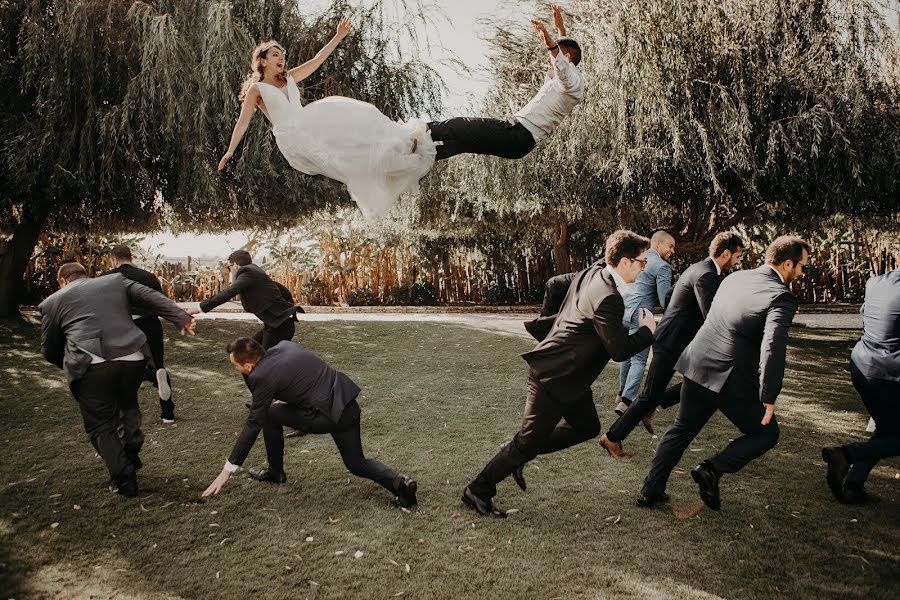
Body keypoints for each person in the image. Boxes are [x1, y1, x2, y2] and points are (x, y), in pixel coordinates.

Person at [461, 230, 656, 517]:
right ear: (625, 262)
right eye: (642, 262)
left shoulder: (597, 270)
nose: (644, 268)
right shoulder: (609, 297)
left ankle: (521, 451)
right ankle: (478, 489)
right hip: (553, 376)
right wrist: (647, 332)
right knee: (526, 443)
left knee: (587, 427)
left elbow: (558, 284)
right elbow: (618, 350)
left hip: (572, 378)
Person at [638, 236, 810, 510]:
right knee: (767, 434)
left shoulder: (735, 278)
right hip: (732, 380)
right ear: (788, 263)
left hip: (698, 364)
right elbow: (773, 346)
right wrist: (769, 395)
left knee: (681, 430)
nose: (802, 274)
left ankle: (650, 490)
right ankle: (712, 469)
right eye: (803, 267)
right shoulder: (782, 296)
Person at [217, 18, 436, 219]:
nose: (281, 57)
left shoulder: (290, 77)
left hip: (309, 121)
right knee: (345, 162)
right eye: (275, 54)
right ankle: (393, 164)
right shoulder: (257, 89)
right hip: (292, 136)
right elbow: (243, 121)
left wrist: (338, 35)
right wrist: (229, 151)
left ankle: (401, 147)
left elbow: (317, 59)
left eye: (282, 54)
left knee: (359, 119)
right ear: (262, 61)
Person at [201, 338, 418, 508]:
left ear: (248, 365)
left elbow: (253, 423)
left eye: (236, 366)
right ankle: (399, 484)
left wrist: (228, 470)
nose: (237, 370)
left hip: (322, 415)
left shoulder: (261, 376)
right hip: (347, 405)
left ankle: (275, 473)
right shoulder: (285, 346)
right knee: (356, 463)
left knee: (266, 413)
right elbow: (298, 379)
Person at [39, 263, 195, 497]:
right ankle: (130, 450)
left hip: (91, 363)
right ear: (87, 274)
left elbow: (50, 349)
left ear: (62, 280)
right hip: (133, 357)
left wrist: (67, 362)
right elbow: (148, 295)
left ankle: (124, 480)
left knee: (101, 425)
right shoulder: (114, 281)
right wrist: (180, 317)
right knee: (128, 405)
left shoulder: (52, 302)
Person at [601, 232, 744, 456]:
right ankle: (612, 437)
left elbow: (669, 294)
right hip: (670, 343)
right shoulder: (706, 275)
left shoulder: (701, 269)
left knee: (698, 381)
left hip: (678, 342)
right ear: (726, 253)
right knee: (650, 394)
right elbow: (712, 317)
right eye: (737, 257)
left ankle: (649, 408)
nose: (737, 262)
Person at [428, 5, 583, 162]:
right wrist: (560, 29)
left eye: (551, 56)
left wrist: (551, 44)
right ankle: (418, 156)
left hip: (517, 134)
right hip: (520, 140)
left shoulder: (573, 82)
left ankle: (414, 132)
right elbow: (565, 59)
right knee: (459, 144)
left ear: (567, 57)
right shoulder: (569, 78)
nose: (547, 59)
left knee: (458, 125)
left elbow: (562, 66)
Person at [822, 268, 899, 504]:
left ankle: (854, 484)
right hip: (890, 373)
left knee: (887, 429)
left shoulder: (875, 282)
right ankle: (846, 454)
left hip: (862, 366)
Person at [103, 244, 176, 423]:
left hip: (123, 325)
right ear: (131, 257)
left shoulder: (105, 278)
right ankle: (167, 413)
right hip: (149, 323)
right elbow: (160, 301)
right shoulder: (147, 276)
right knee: (157, 363)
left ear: (113, 259)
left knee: (122, 367)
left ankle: (123, 412)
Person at [616, 230, 675, 415]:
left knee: (627, 354)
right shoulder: (662, 267)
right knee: (639, 359)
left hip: (624, 310)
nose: (672, 251)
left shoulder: (636, 258)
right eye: (670, 246)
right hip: (641, 314)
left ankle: (621, 393)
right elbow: (666, 301)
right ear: (657, 244)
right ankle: (626, 401)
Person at [188, 250, 299, 349]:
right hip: (276, 324)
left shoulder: (248, 272)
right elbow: (283, 290)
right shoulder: (255, 271)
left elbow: (228, 293)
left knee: (263, 361)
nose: (230, 270)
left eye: (230, 266)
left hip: (279, 327)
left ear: (236, 265)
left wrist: (198, 308)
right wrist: (287, 311)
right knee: (247, 351)